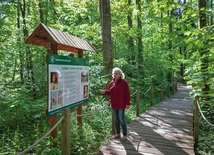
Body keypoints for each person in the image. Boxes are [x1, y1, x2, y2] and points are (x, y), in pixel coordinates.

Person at [100, 67, 131, 142]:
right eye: (114, 73)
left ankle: (125, 135)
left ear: (120, 74)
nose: (115, 75)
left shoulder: (124, 82)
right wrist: (105, 92)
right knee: (116, 120)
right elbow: (110, 92)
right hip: (114, 104)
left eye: (116, 73)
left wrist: (128, 103)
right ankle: (117, 133)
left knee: (121, 119)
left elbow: (127, 94)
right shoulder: (112, 82)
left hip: (121, 104)